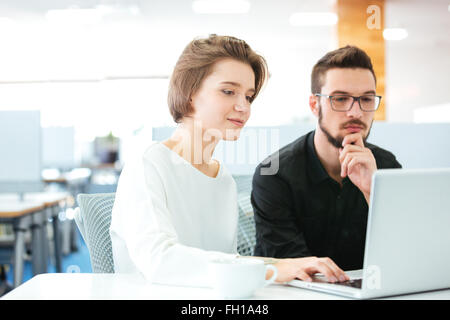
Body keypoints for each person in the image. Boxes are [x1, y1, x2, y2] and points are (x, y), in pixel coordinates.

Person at [110, 34, 349, 288]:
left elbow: (226, 263)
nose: (243, 107)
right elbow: (160, 260)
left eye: (248, 96)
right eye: (228, 91)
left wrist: (288, 265)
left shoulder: (222, 178)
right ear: (190, 92)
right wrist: (274, 268)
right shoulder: (149, 165)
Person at [252, 45, 402, 272]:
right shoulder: (274, 174)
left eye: (367, 99)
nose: (356, 112)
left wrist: (374, 192)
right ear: (315, 105)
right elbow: (287, 267)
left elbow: (404, 252)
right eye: (340, 99)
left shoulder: (386, 166)